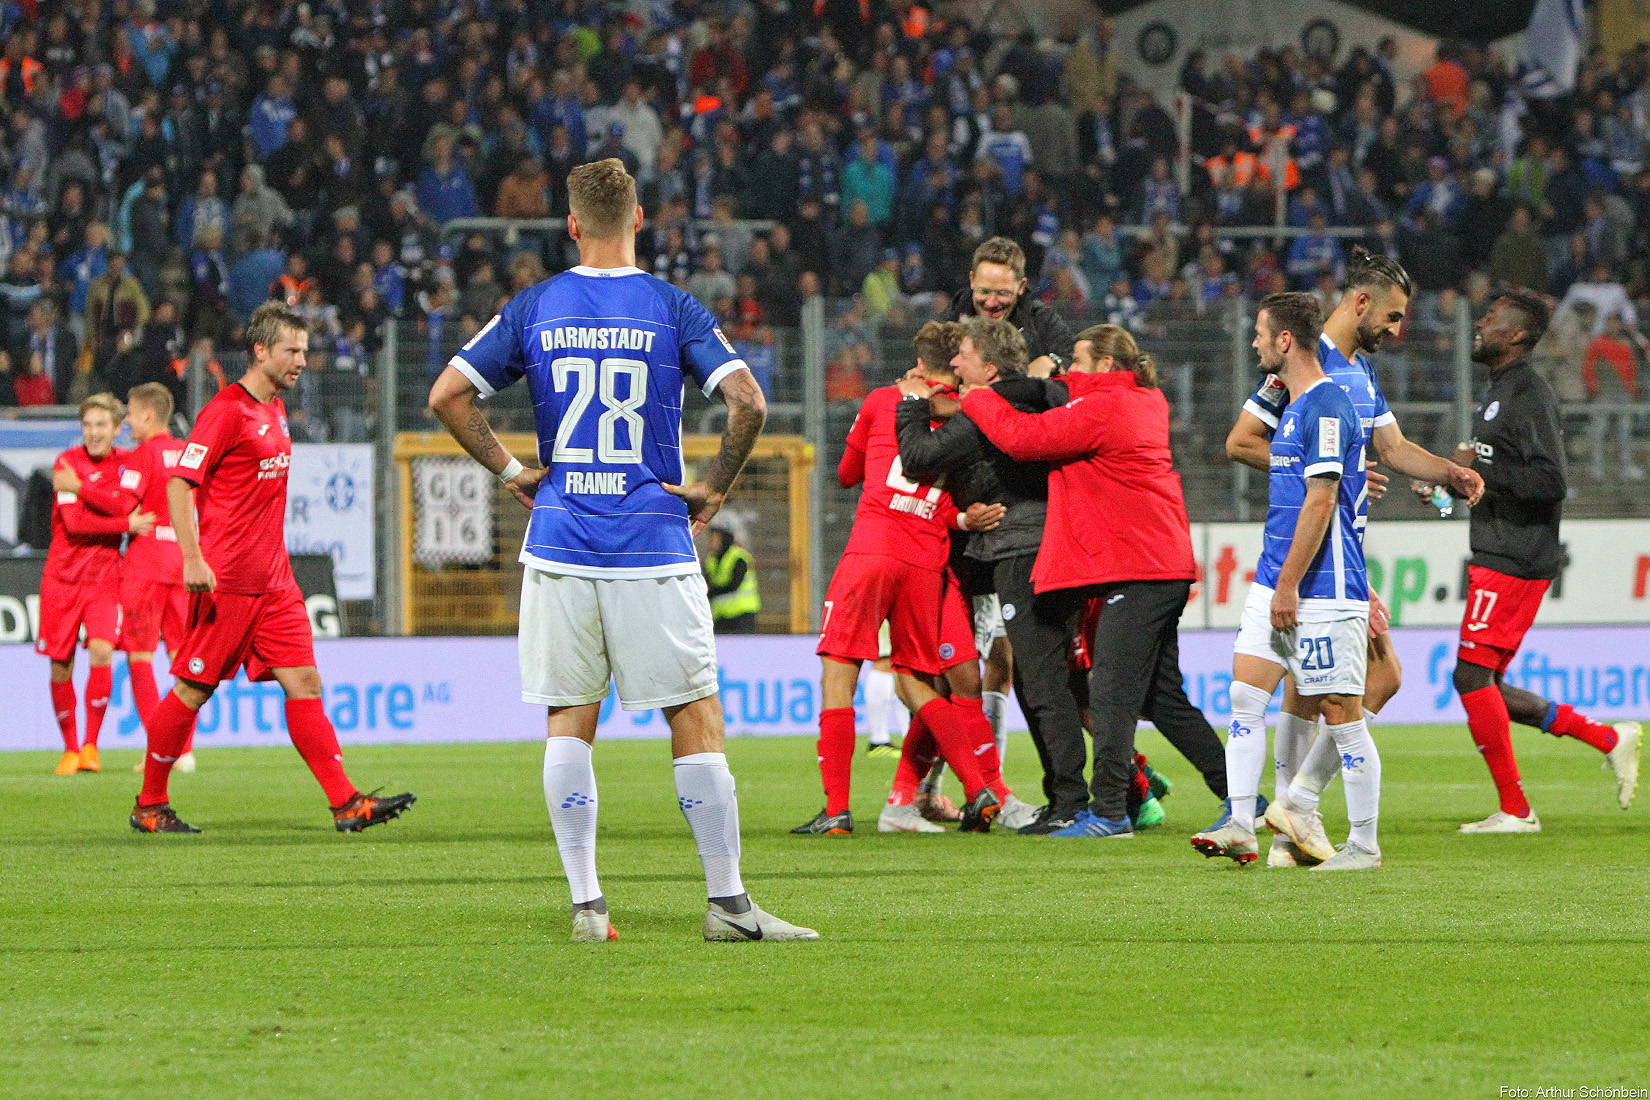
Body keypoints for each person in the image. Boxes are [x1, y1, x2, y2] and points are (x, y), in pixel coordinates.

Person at [426, 159, 815, 943]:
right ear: (639, 216)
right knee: (695, 713)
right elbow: (749, 401)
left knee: (570, 716)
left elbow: (447, 395)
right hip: (652, 540)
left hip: (561, 536)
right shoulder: (672, 307)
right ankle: (729, 907)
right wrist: (713, 488)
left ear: (571, 224)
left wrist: (510, 472)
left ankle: (588, 907)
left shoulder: (535, 304)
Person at [1224, 249, 1484, 866]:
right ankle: (1302, 813)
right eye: (1391, 317)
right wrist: (1328, 470)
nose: (1396, 331)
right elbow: (1241, 441)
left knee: (1326, 691)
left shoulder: (1359, 373)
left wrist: (1448, 473)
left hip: (1341, 554)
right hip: (1316, 561)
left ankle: (1293, 820)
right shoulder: (1302, 371)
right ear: (1360, 302)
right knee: (1354, 685)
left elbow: (1392, 447)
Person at [130, 303, 416, 836]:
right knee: (193, 690)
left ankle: (346, 803)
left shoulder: (276, 409)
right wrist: (192, 557)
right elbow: (179, 483)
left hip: (276, 580)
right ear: (260, 351)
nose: (302, 360)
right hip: (230, 580)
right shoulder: (226, 411)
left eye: (305, 351)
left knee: (305, 682)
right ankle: (150, 803)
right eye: (292, 350)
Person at [961, 322, 1227, 837]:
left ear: (1105, 365)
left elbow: (1022, 438)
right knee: (1160, 697)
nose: (1070, 372)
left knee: (1110, 691)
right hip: (1159, 561)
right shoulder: (1143, 400)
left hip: (1138, 566)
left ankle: (1108, 814)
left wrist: (978, 399)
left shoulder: (1104, 408)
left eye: (1079, 363)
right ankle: (1243, 797)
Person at [800, 320, 1026, 836]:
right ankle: (979, 786)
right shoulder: (973, 414)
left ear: (918, 362)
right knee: (920, 682)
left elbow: (846, 474)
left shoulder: (886, 399)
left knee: (839, 669)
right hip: (929, 557)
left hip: (874, 546)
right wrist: (961, 517)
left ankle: (836, 809)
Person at [1433, 291, 1640, 832]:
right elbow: (1495, 477)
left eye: (1491, 319)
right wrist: (1452, 482)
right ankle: (1608, 737)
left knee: (1470, 675)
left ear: (1517, 336)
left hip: (1516, 555)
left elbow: (1551, 481)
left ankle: (1516, 810)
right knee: (1486, 685)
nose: (1479, 324)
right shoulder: (1498, 391)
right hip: (1499, 548)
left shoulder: (1529, 393)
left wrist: (1477, 475)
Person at [1194, 292, 1382, 871]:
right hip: (1274, 579)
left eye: (1259, 332)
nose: (1252, 342)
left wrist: (1289, 586)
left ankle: (1364, 846)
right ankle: (1241, 824)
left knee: (1341, 713)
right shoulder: (1294, 405)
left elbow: (1321, 500)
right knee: (1245, 698)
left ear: (1283, 341)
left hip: (1321, 588)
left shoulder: (1326, 403)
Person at [38, 394, 153, 775]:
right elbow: (76, 523)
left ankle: (90, 746)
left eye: (101, 425)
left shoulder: (127, 463)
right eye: (87, 425)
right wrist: (123, 522)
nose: (93, 432)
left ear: (116, 428)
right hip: (62, 578)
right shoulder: (65, 463)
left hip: (105, 578)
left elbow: (124, 504)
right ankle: (69, 748)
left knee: (103, 652)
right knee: (61, 665)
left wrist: (97, 497)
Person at [942, 236, 1074, 378]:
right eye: (984, 292)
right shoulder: (954, 315)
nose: (991, 303)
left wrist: (1051, 362)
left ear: (1021, 286)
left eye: (1003, 293)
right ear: (972, 280)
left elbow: (1073, 358)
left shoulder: (1039, 320)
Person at [703, 526, 760, 633]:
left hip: (742, 612)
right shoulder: (711, 559)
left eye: (715, 538)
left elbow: (734, 585)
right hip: (720, 615)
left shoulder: (739, 557)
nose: (712, 542)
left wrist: (712, 593)